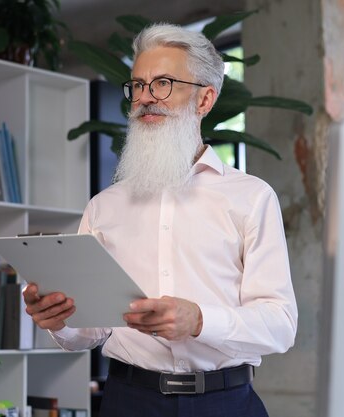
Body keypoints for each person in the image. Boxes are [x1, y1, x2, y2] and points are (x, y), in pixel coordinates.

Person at [22, 22, 297, 417]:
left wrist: (200, 320)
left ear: (204, 99)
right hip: (127, 401)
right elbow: (90, 330)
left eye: (163, 83)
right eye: (138, 85)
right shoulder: (105, 206)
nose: (146, 98)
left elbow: (280, 324)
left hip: (225, 404)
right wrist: (59, 319)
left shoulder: (251, 197)